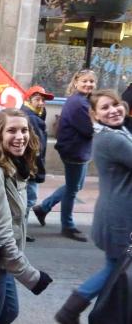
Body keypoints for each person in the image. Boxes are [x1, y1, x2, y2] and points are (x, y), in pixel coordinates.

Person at [55, 89, 132, 323]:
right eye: (105, 108)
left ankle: (78, 310)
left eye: (115, 104)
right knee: (116, 268)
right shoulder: (112, 138)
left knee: (115, 268)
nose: (113, 110)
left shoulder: (116, 132)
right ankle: (71, 309)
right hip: (120, 217)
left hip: (114, 213)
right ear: (95, 115)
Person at [0, 108, 53, 324]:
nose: (20, 137)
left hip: (4, 263)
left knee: (8, 312)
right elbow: (0, 235)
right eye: (12, 131)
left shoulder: (16, 168)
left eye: (24, 130)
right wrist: (31, 276)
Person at [33, 69, 97, 242]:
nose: (88, 84)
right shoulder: (78, 103)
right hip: (74, 151)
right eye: (85, 81)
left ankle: (43, 207)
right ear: (76, 82)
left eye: (91, 81)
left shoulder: (83, 100)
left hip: (78, 150)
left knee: (75, 186)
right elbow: (89, 129)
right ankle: (67, 225)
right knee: (72, 189)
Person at [20, 85, 54, 242]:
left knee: (24, 200)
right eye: (37, 99)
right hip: (31, 167)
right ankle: (21, 230)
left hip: (26, 166)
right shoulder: (33, 118)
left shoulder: (32, 115)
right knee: (28, 200)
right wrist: (39, 173)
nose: (41, 103)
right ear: (28, 100)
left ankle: (20, 229)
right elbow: (37, 150)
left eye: (43, 100)